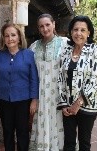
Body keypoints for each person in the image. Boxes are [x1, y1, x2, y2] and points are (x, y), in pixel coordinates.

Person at [57, 15, 97, 151]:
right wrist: (64, 104)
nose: (78, 33)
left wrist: (78, 103)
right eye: (75, 29)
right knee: (69, 143)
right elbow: (60, 78)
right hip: (68, 106)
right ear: (71, 32)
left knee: (84, 143)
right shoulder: (65, 50)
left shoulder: (95, 50)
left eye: (83, 30)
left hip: (87, 105)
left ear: (89, 33)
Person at [0, 23, 39, 151]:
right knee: (7, 132)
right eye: (6, 36)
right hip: (3, 100)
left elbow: (34, 78)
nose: (10, 38)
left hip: (23, 101)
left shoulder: (29, 54)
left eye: (13, 35)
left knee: (23, 132)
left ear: (19, 37)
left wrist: (34, 99)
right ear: (3, 38)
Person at [29, 13, 66, 151]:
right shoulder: (33, 47)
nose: (45, 29)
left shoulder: (64, 43)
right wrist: (34, 97)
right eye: (41, 26)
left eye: (47, 25)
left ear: (54, 24)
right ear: (38, 29)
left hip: (58, 95)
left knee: (58, 125)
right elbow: (31, 74)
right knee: (42, 124)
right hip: (41, 94)